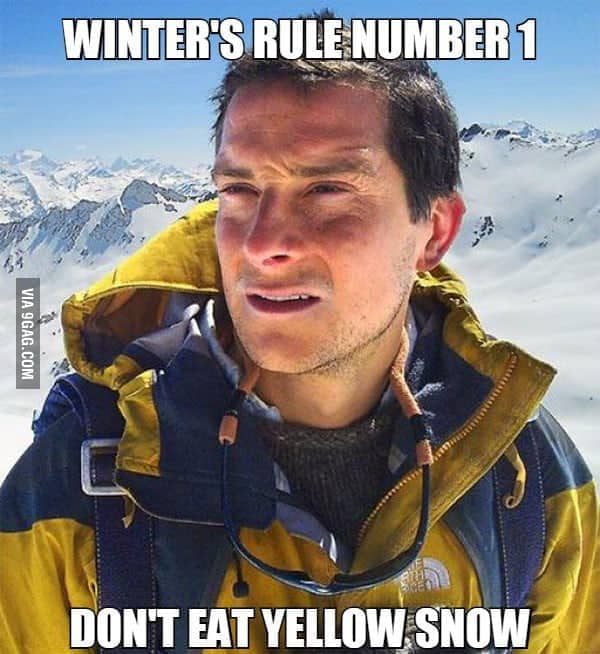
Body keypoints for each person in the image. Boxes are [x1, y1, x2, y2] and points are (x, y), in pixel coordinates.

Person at [0, 13, 598, 654]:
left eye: (328, 189)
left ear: (435, 231)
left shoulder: (522, 470)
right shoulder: (83, 481)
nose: (263, 244)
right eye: (239, 189)